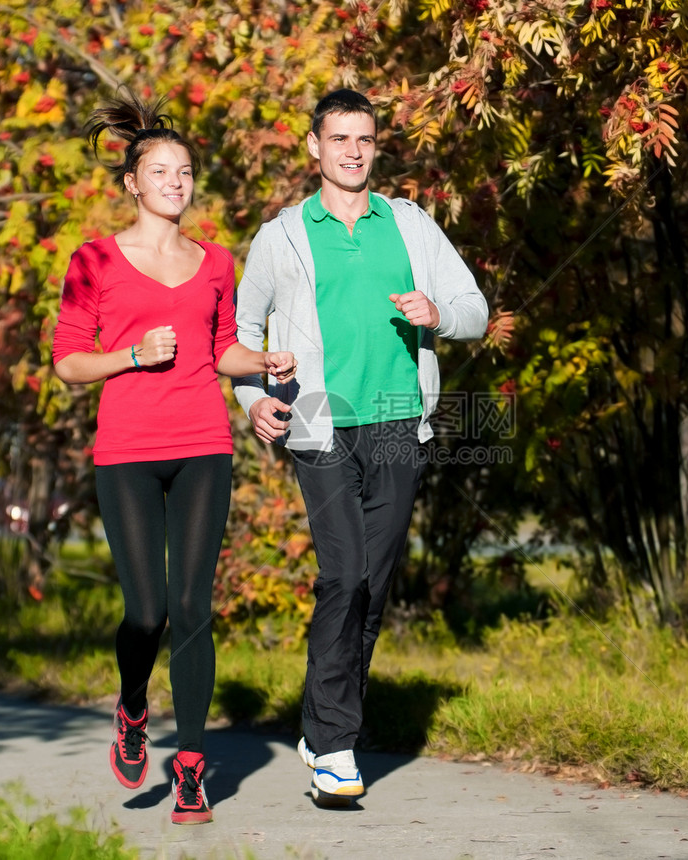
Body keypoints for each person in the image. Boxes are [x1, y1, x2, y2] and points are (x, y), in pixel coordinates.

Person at [233, 88, 488, 803]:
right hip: (315, 416)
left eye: (364, 140)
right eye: (339, 138)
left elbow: (474, 310)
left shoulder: (408, 226)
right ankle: (338, 745)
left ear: (376, 148)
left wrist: (438, 314)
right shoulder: (281, 236)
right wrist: (255, 401)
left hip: (398, 417)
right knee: (344, 575)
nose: (352, 151)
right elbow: (242, 336)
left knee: (370, 586)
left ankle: (321, 727)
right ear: (313, 147)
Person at [52, 89, 296, 825]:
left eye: (185, 172)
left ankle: (190, 767)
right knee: (147, 611)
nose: (176, 184)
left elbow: (223, 351)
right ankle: (132, 705)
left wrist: (267, 359)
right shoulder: (93, 259)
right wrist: (130, 354)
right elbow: (68, 363)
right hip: (125, 450)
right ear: (132, 182)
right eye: (162, 173)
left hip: (202, 444)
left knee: (192, 607)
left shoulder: (217, 260)